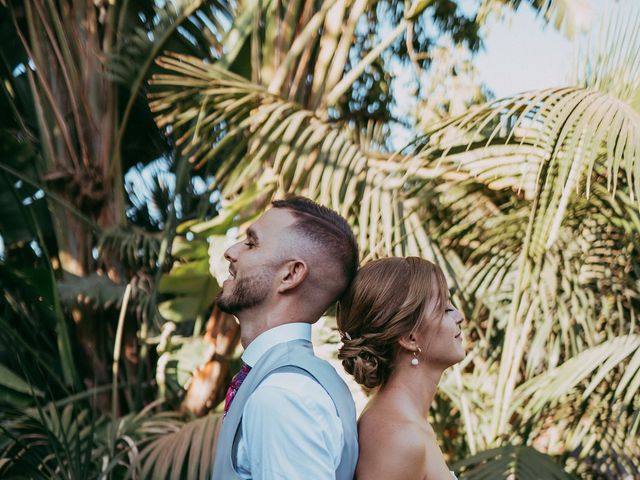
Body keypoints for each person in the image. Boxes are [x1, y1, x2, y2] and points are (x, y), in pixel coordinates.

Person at [211, 196, 360, 480]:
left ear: (291, 274)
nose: (231, 252)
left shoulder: (283, 395)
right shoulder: (293, 382)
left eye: (251, 243)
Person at [337, 257, 465, 480]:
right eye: (445, 309)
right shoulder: (398, 438)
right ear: (409, 338)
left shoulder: (406, 422)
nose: (460, 317)